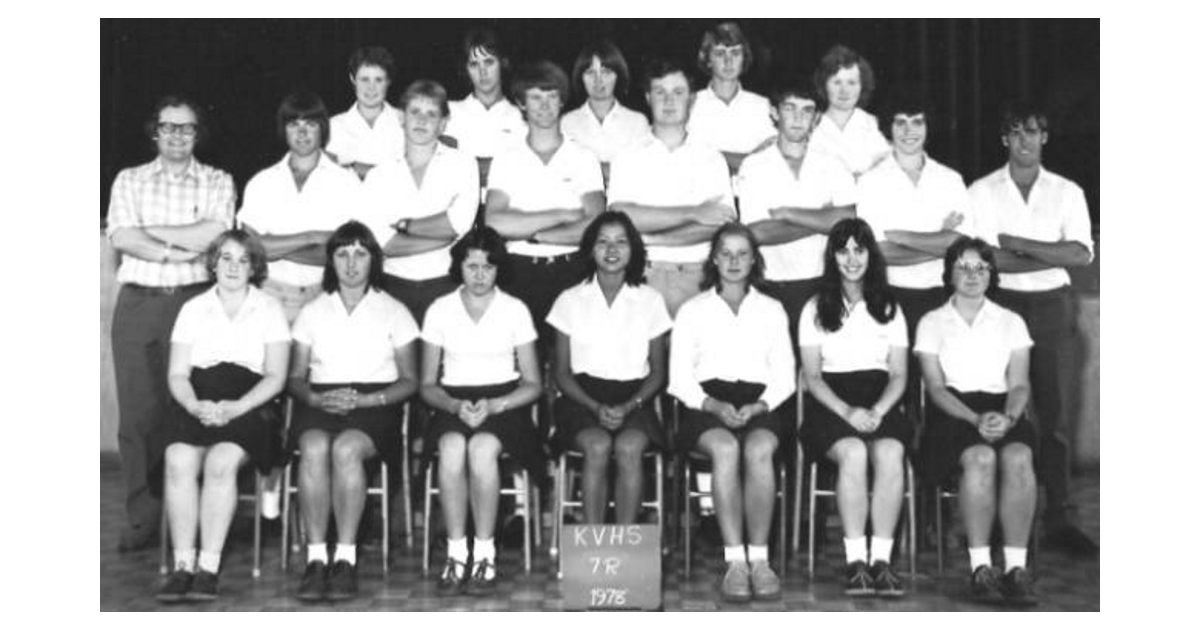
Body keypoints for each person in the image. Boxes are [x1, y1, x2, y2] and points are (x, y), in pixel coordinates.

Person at [968, 100, 1097, 558]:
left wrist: (1018, 244)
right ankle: (999, 519)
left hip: (1052, 307)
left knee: (1055, 417)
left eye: (1033, 131)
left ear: (1045, 137)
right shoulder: (982, 190)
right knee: (1002, 409)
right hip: (1000, 306)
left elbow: (1080, 254)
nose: (1025, 140)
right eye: (1017, 132)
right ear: (1005, 138)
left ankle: (1060, 518)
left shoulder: (1068, 191)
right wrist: (1048, 251)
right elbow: (987, 259)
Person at [107, 95, 236, 552]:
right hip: (139, 305)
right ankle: (144, 519)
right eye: (169, 127)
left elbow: (215, 235)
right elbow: (122, 236)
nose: (177, 136)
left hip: (195, 303)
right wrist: (176, 249)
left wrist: (152, 231)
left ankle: (193, 517)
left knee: (189, 409)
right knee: (138, 416)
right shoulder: (129, 179)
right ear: (154, 131)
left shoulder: (218, 180)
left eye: (187, 128)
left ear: (198, 134)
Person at [288, 221, 420, 602]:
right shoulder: (313, 311)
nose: (351, 263)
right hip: (321, 401)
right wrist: (316, 400)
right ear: (330, 261)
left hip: (376, 404)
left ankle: (345, 558)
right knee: (313, 447)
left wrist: (366, 401)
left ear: (373, 260)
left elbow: (410, 380)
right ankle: (316, 558)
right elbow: (295, 378)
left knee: (346, 449)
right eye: (342, 254)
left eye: (360, 254)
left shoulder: (395, 311)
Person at [156, 230, 289, 602]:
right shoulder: (192, 308)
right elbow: (177, 374)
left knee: (220, 461)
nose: (233, 266)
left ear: (254, 268)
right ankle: (184, 565)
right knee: (177, 458)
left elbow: (276, 376)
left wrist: (237, 407)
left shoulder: (270, 308)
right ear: (213, 264)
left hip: (251, 403)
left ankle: (208, 568)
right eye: (226, 258)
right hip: (197, 399)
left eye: (243, 260)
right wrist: (193, 405)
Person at [669, 223, 795, 602]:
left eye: (742, 254)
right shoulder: (692, 310)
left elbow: (785, 377)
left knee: (759, 449)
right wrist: (713, 405)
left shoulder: (772, 310)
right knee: (726, 449)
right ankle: (735, 562)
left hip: (760, 402)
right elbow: (679, 379)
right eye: (726, 253)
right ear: (714, 259)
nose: (734, 261)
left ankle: (760, 560)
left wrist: (760, 405)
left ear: (754, 260)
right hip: (707, 403)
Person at [420, 227, 544, 596]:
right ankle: (457, 552)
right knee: (452, 448)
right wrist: (454, 405)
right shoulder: (440, 309)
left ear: (498, 269)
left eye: (487, 267)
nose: (479, 275)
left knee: (482, 449)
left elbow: (533, 384)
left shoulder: (515, 309)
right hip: (453, 400)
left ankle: (485, 553)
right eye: (471, 266)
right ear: (458, 267)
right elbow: (426, 384)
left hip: (505, 401)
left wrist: (495, 405)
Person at [915, 237, 1038, 607]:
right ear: (949, 273)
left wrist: (1009, 417)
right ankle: (981, 568)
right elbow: (935, 388)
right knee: (981, 458)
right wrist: (973, 418)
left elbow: (1019, 384)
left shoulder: (1011, 321)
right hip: (953, 412)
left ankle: (1015, 569)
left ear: (991, 274)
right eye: (963, 267)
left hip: (1003, 408)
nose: (972, 275)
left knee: (1018, 456)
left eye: (981, 267)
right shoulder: (932, 322)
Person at [797, 218, 910, 598]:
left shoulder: (890, 307)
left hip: (880, 400)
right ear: (832, 257)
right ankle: (856, 561)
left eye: (859, 250)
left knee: (891, 451)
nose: (851, 259)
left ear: (870, 255)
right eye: (842, 250)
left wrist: (878, 410)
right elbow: (812, 377)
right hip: (831, 403)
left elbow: (899, 375)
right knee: (854, 452)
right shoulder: (814, 308)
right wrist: (847, 412)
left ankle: (881, 561)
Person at [855, 89, 975, 445]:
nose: (909, 130)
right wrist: (939, 241)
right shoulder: (871, 182)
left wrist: (902, 237)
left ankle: (933, 469)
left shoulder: (950, 179)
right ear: (888, 128)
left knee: (943, 386)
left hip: (942, 297)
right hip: (889, 297)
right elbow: (877, 253)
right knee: (897, 388)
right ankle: (900, 464)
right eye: (901, 122)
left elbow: (962, 247)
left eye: (918, 122)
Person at [546, 211, 671, 524]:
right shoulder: (569, 300)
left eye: (620, 242)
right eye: (603, 242)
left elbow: (658, 372)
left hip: (635, 398)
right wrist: (594, 406)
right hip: (580, 398)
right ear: (590, 249)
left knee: (630, 447)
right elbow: (561, 372)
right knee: (598, 445)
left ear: (633, 249)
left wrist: (629, 406)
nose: (611, 249)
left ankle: (625, 541)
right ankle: (593, 541)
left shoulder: (651, 300)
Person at [484, 60, 605, 352]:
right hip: (518, 272)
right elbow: (495, 222)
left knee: (573, 358)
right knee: (525, 361)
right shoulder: (507, 158)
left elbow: (596, 225)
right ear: (521, 103)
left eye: (552, 96)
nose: (544, 105)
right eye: (535, 97)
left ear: (562, 101)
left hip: (573, 270)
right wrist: (563, 214)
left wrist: (536, 234)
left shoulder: (583, 157)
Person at [607, 58, 736, 316]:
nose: (669, 101)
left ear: (692, 99)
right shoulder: (627, 155)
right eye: (660, 92)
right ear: (647, 97)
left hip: (700, 277)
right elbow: (622, 217)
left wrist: (650, 236)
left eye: (678, 92)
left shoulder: (710, 157)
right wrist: (694, 213)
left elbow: (720, 225)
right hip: (642, 275)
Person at [739, 82, 857, 345]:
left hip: (825, 285)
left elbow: (850, 219)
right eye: (789, 108)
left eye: (807, 110)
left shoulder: (833, 164)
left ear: (817, 118)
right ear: (774, 112)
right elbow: (757, 233)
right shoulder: (754, 166)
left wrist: (787, 213)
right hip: (770, 286)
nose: (798, 118)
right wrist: (824, 219)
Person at [361, 79, 479, 326]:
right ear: (401, 117)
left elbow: (458, 224)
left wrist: (403, 226)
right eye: (415, 111)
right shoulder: (379, 175)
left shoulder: (463, 164)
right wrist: (444, 236)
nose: (422, 120)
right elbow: (382, 244)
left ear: (443, 123)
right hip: (392, 287)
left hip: (448, 285)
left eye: (431, 114)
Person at [239, 90, 362, 323]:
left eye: (310, 124)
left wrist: (273, 246)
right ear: (284, 130)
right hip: (269, 294)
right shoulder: (261, 182)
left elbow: (348, 255)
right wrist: (312, 237)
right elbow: (251, 249)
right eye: (294, 124)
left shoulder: (347, 182)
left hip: (327, 296)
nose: (302, 132)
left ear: (322, 129)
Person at [687, 21, 776, 173]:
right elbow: (688, 158)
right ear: (707, 60)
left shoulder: (763, 106)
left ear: (744, 58)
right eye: (720, 53)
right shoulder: (691, 104)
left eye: (735, 53)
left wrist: (714, 157)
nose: (728, 61)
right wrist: (749, 159)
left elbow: (773, 159)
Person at [443, 28, 527, 187]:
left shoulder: (521, 117)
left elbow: (524, 172)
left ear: (502, 63)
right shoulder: (448, 113)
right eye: (474, 64)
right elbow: (444, 169)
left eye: (489, 62)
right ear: (466, 70)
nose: (483, 71)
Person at [560, 40, 651, 185]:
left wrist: (590, 170)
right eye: (590, 72)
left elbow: (642, 173)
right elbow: (565, 174)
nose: (598, 80)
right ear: (580, 77)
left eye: (606, 72)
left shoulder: (637, 122)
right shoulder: (567, 123)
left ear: (618, 75)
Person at [808, 45, 890, 179]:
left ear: (862, 86)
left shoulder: (871, 124)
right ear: (824, 85)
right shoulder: (810, 125)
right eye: (837, 82)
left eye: (851, 83)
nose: (844, 90)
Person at [327, 46, 406, 180]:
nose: (371, 87)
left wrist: (354, 167)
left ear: (388, 81)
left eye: (378, 80)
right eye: (364, 79)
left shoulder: (406, 123)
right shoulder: (333, 127)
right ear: (352, 79)